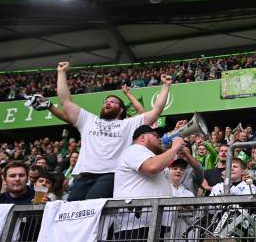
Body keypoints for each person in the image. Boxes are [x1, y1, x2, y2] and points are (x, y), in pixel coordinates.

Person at [55, 61, 172, 201]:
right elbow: (65, 101)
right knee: (72, 210)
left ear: (121, 109)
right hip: (83, 175)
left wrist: (166, 86)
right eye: (106, 101)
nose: (108, 102)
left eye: (113, 101)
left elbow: (156, 111)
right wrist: (61, 73)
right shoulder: (88, 120)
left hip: (110, 175)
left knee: (93, 207)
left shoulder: (127, 124)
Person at [111, 125, 184, 242]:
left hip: (151, 224)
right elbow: (152, 167)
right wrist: (174, 148)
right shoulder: (135, 150)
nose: (159, 139)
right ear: (143, 137)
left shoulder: (148, 154)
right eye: (156, 136)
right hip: (134, 226)